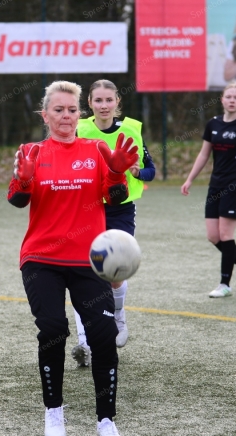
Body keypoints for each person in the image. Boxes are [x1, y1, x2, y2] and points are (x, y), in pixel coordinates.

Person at [7, 80, 140, 436]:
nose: (66, 116)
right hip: (41, 259)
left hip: (87, 260)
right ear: (45, 114)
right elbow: (16, 200)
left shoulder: (96, 149)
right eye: (58, 110)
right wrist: (23, 180)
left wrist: (116, 173)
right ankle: (54, 411)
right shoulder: (32, 151)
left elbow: (115, 198)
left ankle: (106, 421)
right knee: (52, 330)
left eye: (71, 110)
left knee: (103, 337)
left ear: (79, 113)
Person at [70, 79, 156, 368]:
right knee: (84, 273)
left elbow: (151, 171)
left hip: (120, 210)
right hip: (86, 210)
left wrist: (137, 170)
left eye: (109, 100)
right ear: (90, 104)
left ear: (118, 101)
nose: (104, 105)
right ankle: (84, 342)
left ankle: (118, 317)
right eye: (98, 101)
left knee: (113, 272)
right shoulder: (80, 130)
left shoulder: (131, 129)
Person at [181, 81, 236, 298]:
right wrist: (189, 179)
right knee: (213, 236)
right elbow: (204, 154)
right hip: (215, 184)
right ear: (222, 100)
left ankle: (224, 284)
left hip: (235, 185)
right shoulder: (213, 123)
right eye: (229, 97)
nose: (232, 101)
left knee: (226, 234)